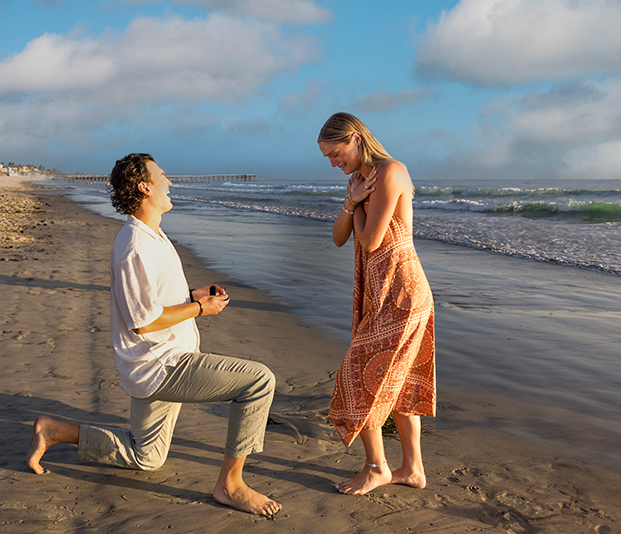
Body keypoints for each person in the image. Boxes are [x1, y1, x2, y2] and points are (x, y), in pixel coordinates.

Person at [26, 153, 281, 516]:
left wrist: (192, 297)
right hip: (162, 365)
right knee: (258, 381)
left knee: (146, 456)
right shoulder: (135, 246)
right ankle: (230, 484)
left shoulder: (152, 235)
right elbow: (143, 321)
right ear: (145, 186)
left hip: (158, 361)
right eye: (163, 175)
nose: (170, 181)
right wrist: (199, 310)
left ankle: (54, 431)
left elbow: (151, 301)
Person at [317, 112, 435, 495]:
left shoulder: (389, 172)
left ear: (354, 138)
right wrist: (352, 201)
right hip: (378, 291)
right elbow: (338, 237)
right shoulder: (357, 182)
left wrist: (358, 202)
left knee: (356, 377)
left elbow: (369, 241)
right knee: (396, 383)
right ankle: (413, 469)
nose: (335, 163)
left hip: (401, 293)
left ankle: (376, 468)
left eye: (337, 153)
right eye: (329, 159)